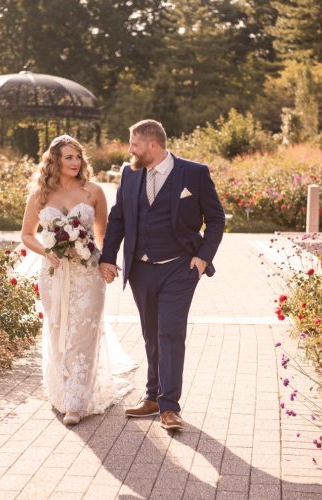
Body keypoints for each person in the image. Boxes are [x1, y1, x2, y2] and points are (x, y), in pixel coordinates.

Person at [99, 119, 225, 431]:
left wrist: (202, 258)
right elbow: (118, 219)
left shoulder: (193, 173)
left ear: (152, 145)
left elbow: (216, 218)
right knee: (151, 334)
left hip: (179, 268)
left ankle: (170, 406)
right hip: (140, 269)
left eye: (135, 144)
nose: (130, 150)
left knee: (170, 332)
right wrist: (108, 258)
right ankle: (152, 397)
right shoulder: (130, 173)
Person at [21, 135, 135, 426]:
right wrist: (49, 251)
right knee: (58, 329)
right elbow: (26, 235)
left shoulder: (93, 192)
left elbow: (103, 236)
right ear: (55, 160)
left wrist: (107, 263)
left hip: (87, 274)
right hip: (54, 274)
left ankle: (77, 401)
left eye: (78, 157)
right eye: (68, 157)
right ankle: (61, 390)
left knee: (83, 333)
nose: (75, 162)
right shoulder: (40, 195)